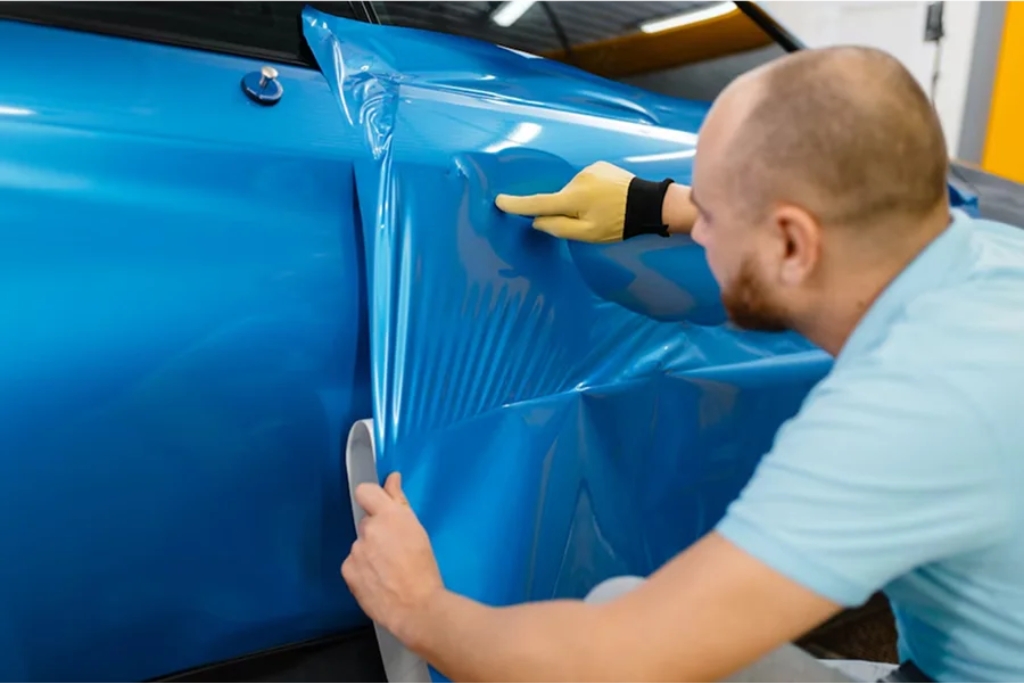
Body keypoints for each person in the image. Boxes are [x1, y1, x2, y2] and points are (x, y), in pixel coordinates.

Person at [340, 45, 1024, 682]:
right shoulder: (990, 261)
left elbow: (611, 662)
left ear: (793, 241)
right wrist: (651, 204)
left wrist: (419, 608)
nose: (697, 231)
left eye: (713, 216)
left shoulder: (910, 407)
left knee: (627, 630)